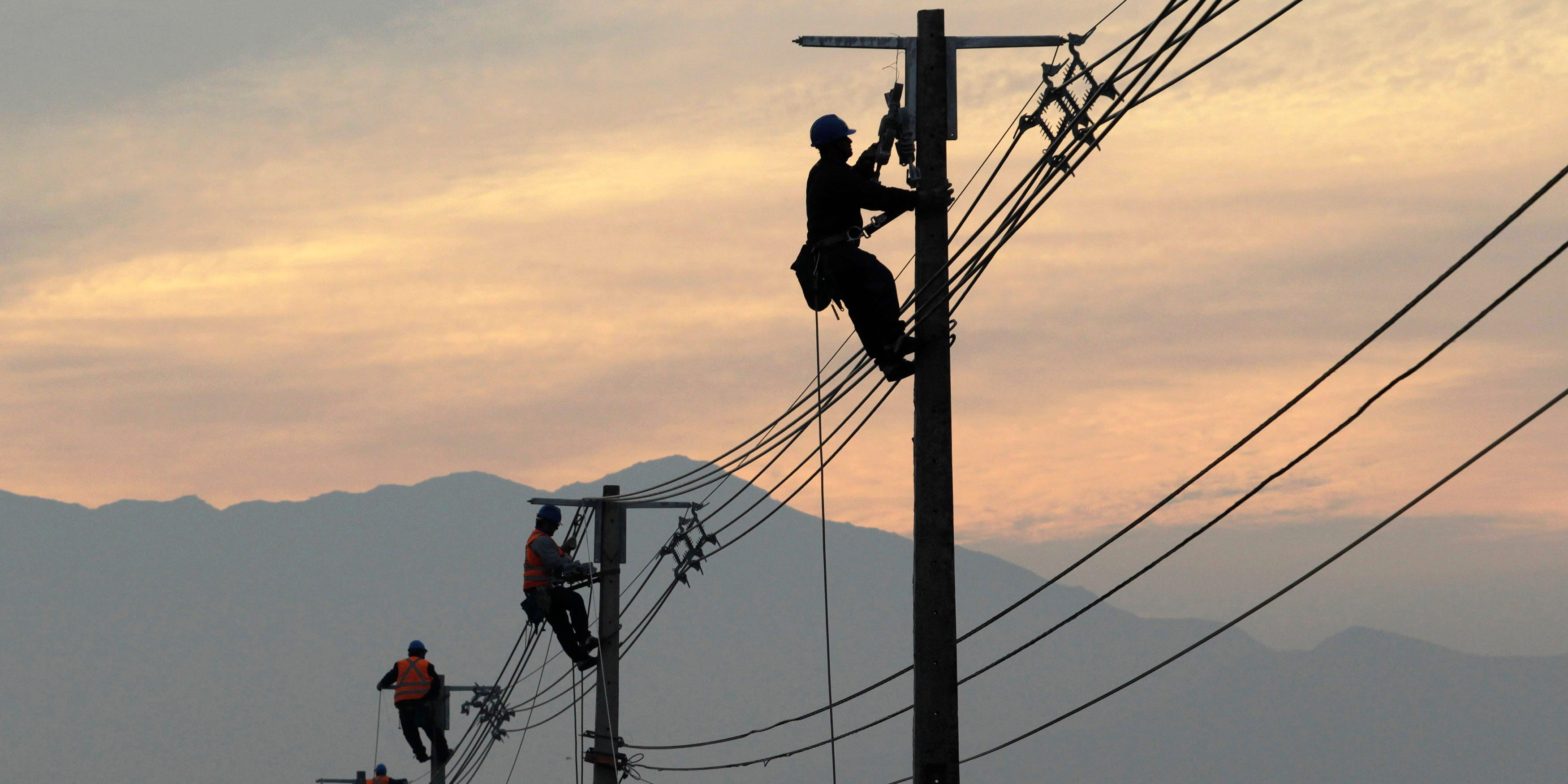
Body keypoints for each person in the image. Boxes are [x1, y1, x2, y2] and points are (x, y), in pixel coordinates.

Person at [804, 113, 949, 381]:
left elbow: (854, 185)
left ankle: (888, 362)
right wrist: (921, 199)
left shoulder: (827, 172)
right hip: (837, 254)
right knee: (879, 279)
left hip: (830, 259)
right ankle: (894, 339)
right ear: (834, 144)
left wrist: (867, 161)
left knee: (862, 309)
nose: (849, 143)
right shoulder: (832, 174)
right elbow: (870, 196)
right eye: (845, 138)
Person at [525, 504, 599, 671]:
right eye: (554, 526)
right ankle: (584, 638)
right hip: (542, 590)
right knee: (575, 601)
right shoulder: (542, 540)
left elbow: (556, 556)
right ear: (547, 523)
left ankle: (581, 659)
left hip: (538, 591)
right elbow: (556, 562)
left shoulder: (539, 539)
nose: (555, 529)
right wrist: (575, 567)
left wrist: (565, 550)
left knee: (562, 627)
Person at [376, 640, 452, 764]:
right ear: (422, 653)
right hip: (421, 705)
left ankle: (421, 755)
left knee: (410, 733)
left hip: (404, 705)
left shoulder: (400, 665)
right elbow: (436, 684)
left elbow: (390, 677)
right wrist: (430, 698)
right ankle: (443, 754)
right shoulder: (426, 665)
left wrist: (381, 684)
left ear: (409, 653)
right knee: (432, 730)